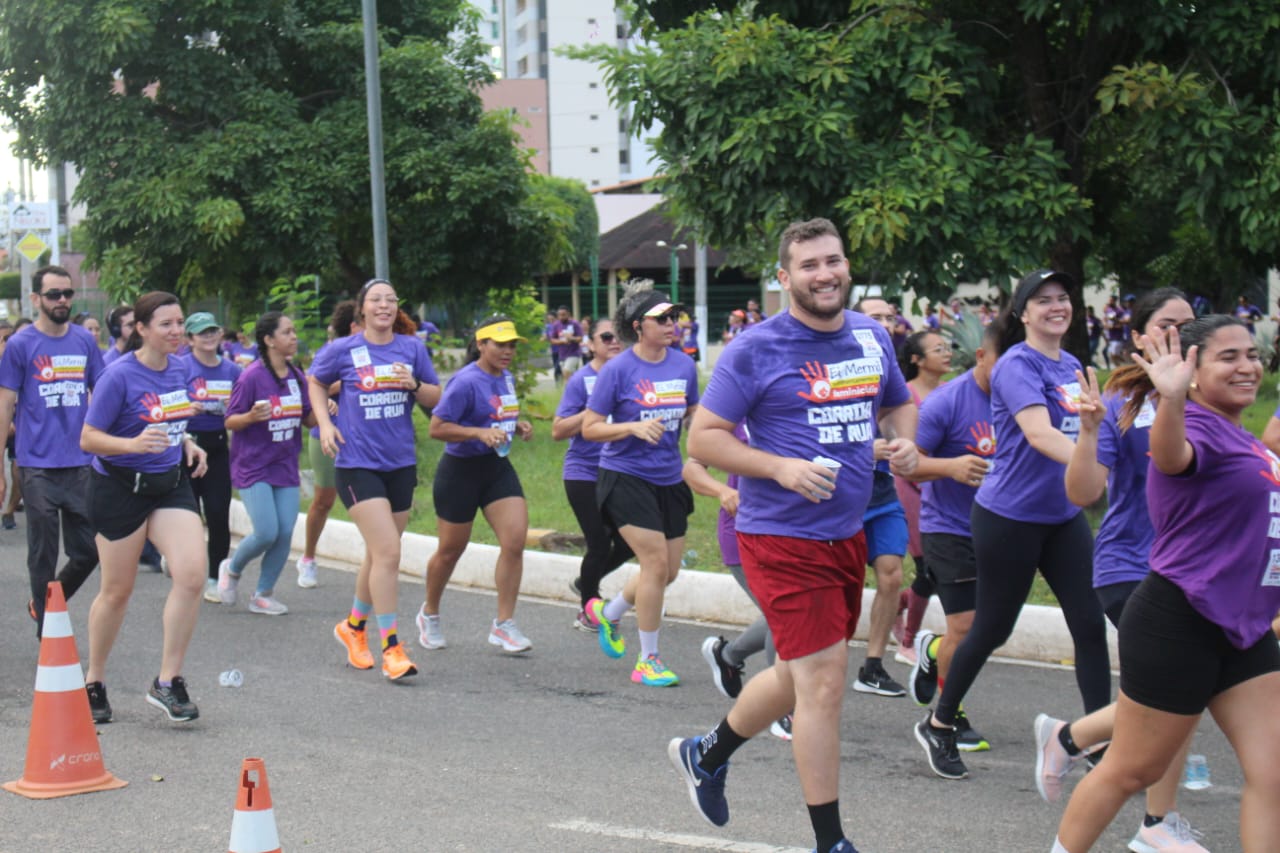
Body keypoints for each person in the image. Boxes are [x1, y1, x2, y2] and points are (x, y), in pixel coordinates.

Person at [667, 218, 915, 853]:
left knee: (799, 672)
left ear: (847, 266)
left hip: (845, 533)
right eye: (808, 265)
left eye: (832, 261)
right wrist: (779, 467)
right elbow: (705, 438)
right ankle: (830, 842)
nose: (824, 274)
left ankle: (708, 753)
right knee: (825, 682)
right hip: (778, 535)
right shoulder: (755, 347)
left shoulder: (870, 335)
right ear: (784, 278)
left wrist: (904, 440)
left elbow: (895, 400)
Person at [1051, 315, 1280, 853]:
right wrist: (1172, 401)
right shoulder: (1192, 428)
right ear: (1192, 373)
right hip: (1180, 621)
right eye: (1229, 357)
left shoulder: (1243, 439)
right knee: (1131, 771)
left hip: (1242, 629)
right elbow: (1172, 455)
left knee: (1273, 774)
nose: (1247, 365)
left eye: (1251, 354)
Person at [915, 270, 1109, 781]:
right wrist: (1095, 472)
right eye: (1042, 301)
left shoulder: (1070, 365)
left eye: (1062, 299)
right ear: (1023, 314)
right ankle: (939, 721)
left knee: (1089, 625)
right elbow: (1040, 434)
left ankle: (1096, 740)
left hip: (1063, 517)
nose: (1055, 307)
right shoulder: (1017, 365)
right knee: (992, 628)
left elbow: (1092, 431)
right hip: (1009, 518)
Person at [1034, 290, 1210, 852]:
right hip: (1131, 565)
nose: (1179, 336)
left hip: (1198, 570)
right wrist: (1086, 433)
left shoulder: (1211, 395)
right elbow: (1085, 492)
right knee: (1179, 683)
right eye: (1166, 326)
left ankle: (1068, 736)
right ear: (1138, 339)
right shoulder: (1120, 403)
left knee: (1173, 690)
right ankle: (1158, 824)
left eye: (1190, 326)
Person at [80, 291, 210, 724]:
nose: (177, 332)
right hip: (119, 487)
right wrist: (132, 445)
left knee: (192, 574)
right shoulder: (118, 376)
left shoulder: (180, 367)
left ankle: (168, 681)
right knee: (117, 591)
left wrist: (188, 442)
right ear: (141, 329)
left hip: (168, 484)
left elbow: (170, 417)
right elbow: (89, 438)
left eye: (180, 323)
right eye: (166, 325)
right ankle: (94, 680)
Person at [309, 278, 440, 681]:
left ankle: (351, 628)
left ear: (396, 308)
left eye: (390, 299)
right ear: (362, 309)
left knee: (379, 553)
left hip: (399, 462)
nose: (383, 305)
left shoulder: (412, 348)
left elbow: (436, 399)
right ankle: (391, 647)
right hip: (356, 462)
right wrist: (326, 423)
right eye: (375, 299)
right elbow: (314, 381)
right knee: (387, 553)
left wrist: (414, 385)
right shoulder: (344, 350)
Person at [580, 284, 699, 687]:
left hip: (669, 476)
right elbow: (589, 428)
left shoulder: (683, 365)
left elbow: (694, 411)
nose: (671, 325)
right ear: (638, 326)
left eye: (674, 317)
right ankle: (648, 660)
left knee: (668, 572)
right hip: (626, 477)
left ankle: (608, 613)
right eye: (662, 319)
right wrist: (631, 426)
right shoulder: (618, 369)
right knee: (654, 565)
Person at [904, 325, 1001, 754]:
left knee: (992, 628)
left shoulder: (1028, 401)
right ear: (981, 356)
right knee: (967, 625)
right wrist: (951, 468)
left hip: (1002, 526)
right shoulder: (946, 401)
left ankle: (935, 650)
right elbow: (906, 465)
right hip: (949, 527)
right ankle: (948, 710)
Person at [417, 315, 535, 653]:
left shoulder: (507, 378)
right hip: (460, 472)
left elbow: (498, 416)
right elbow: (437, 427)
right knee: (451, 550)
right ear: (481, 345)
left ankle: (504, 624)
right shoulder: (465, 381)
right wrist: (478, 433)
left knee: (514, 541)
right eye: (500, 344)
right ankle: (430, 613)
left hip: (496, 468)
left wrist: (518, 426)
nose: (507, 351)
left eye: (512, 344)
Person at [0, 265, 105, 634]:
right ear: (35, 299)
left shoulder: (84, 341)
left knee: (89, 552)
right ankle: (48, 633)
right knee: (42, 554)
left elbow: (104, 393)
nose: (62, 301)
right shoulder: (19, 345)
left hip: (79, 463)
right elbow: (5, 405)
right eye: (53, 295)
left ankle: (42, 602)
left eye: (67, 293)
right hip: (36, 465)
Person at [219, 312, 315, 615]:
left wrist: (327, 411)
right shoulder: (251, 377)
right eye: (287, 332)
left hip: (285, 465)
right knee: (266, 532)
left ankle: (263, 593)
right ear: (269, 340)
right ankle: (232, 569)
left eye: (294, 331)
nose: (294, 336)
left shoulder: (297, 376)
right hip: (253, 465)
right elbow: (231, 420)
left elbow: (308, 418)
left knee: (285, 532)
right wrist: (250, 417)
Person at [848, 296, 915, 698]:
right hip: (840, 497)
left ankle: (873, 665)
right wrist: (863, 450)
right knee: (841, 588)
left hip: (883, 494)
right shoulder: (833, 360)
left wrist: (903, 442)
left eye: (891, 317)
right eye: (876, 317)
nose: (886, 324)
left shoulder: (890, 369)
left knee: (891, 574)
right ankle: (735, 651)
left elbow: (899, 416)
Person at [551, 318, 632, 629]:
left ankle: (585, 582)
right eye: (607, 336)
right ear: (591, 345)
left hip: (620, 472)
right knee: (598, 542)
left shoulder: (629, 377)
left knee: (628, 543)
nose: (614, 342)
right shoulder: (582, 380)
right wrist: (592, 410)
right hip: (584, 472)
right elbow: (558, 430)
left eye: (619, 336)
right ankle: (588, 610)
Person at [893, 330, 954, 669]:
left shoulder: (951, 391)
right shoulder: (905, 394)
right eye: (938, 349)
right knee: (927, 568)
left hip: (944, 484)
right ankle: (907, 642)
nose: (947, 353)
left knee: (937, 571)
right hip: (912, 485)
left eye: (948, 347)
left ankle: (895, 606)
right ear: (916, 359)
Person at [179, 312, 240, 604]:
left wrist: (233, 408)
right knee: (188, 516)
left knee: (217, 513)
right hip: (186, 447)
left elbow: (243, 408)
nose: (208, 336)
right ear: (190, 338)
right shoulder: (180, 368)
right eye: (201, 332)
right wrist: (186, 407)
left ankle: (216, 577)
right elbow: (166, 403)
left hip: (217, 447)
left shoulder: (232, 371)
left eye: (213, 330)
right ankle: (183, 565)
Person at [297, 300, 356, 588]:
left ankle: (380, 561)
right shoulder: (332, 352)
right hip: (326, 435)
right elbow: (313, 387)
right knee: (324, 500)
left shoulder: (376, 351)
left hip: (361, 438)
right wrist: (346, 383)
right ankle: (308, 558)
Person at [1, 316, 32, 529]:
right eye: (4, 339)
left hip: (17, 423)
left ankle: (9, 509)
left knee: (18, 469)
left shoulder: (22, 366)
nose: (8, 343)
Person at [550, 305, 584, 382]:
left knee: (566, 371)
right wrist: (562, 341)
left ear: (568, 314)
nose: (561, 317)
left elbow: (580, 338)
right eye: (559, 315)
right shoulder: (556, 325)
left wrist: (571, 338)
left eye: (563, 315)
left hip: (574, 353)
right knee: (568, 375)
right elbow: (552, 340)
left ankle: (568, 390)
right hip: (562, 354)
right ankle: (573, 390)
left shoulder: (575, 324)